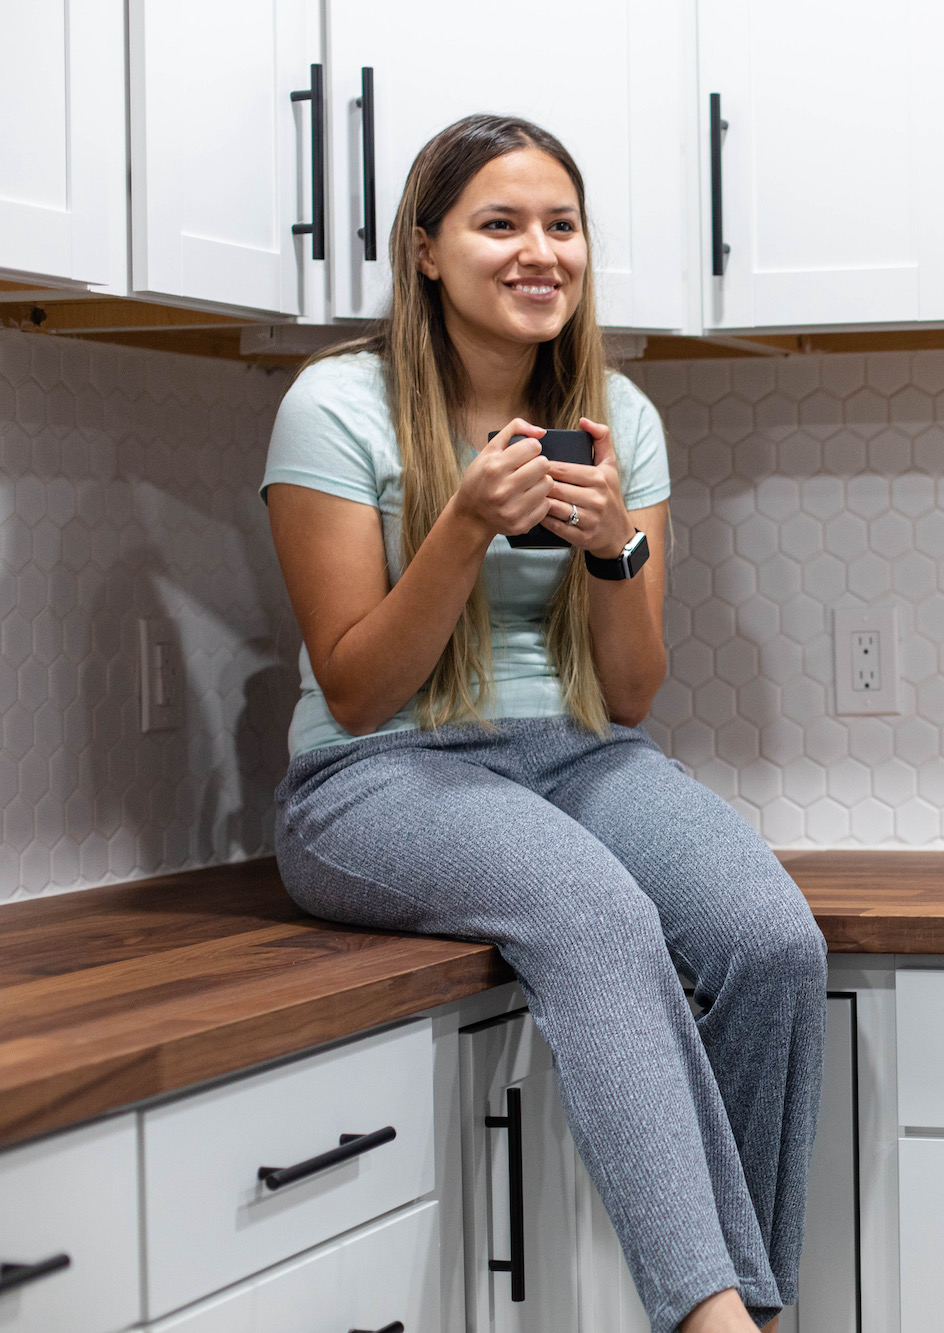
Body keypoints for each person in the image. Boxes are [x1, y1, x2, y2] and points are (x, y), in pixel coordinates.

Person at [260, 114, 824, 1333]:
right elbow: (356, 688)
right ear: (426, 251)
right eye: (498, 223)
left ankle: (754, 1306)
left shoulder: (619, 412)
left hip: (577, 754)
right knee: (597, 914)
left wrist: (614, 545)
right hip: (376, 777)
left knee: (771, 940)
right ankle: (716, 1324)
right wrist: (460, 525)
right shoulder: (334, 405)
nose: (538, 253)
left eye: (559, 225)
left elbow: (629, 695)